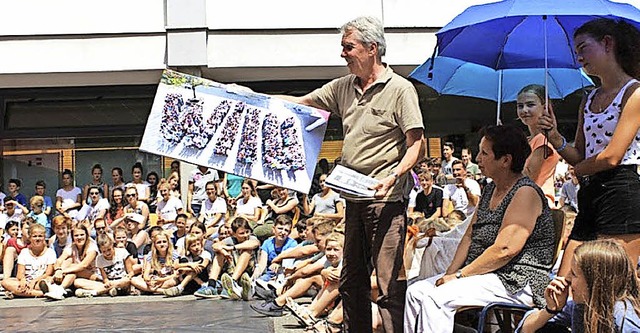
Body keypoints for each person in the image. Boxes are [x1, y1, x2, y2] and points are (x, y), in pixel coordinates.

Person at [274, 16, 425, 332]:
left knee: (388, 284)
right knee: (351, 280)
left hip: (386, 201)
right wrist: (248, 97)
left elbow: (416, 146)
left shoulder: (400, 89)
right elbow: (302, 104)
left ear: (372, 49)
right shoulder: (344, 87)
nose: (342, 53)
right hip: (353, 199)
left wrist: (394, 175)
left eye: (348, 47)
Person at [404, 125, 555, 333]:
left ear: (505, 160)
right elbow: (469, 235)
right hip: (488, 275)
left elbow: (505, 250)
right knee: (415, 292)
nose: (477, 158)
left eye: (484, 153)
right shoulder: (491, 188)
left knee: (436, 299)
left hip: (516, 279)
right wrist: (449, 274)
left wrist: (458, 277)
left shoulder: (525, 192)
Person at [537, 18, 640, 277]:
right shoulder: (589, 98)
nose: (579, 57)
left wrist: (581, 169)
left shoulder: (634, 92)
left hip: (622, 190)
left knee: (613, 282)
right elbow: (578, 155)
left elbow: (613, 157)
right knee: (565, 279)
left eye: (583, 48)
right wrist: (555, 136)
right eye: (576, 51)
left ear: (608, 43)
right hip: (591, 191)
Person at [517, 239, 640, 333]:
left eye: (574, 274)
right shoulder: (580, 305)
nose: (567, 279)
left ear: (595, 282)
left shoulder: (623, 317)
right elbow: (525, 329)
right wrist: (551, 310)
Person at [517, 84, 560, 207]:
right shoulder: (528, 140)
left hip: (537, 204)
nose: (524, 110)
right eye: (520, 106)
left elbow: (528, 176)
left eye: (530, 105)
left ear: (545, 107)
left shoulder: (543, 140)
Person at [1, 224, 56, 299]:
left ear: (44, 237)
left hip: (40, 281)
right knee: (5, 282)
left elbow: (48, 273)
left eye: (40, 236)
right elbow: (20, 274)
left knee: (46, 282)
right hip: (27, 281)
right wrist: (23, 281)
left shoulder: (50, 252)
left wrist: (34, 281)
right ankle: (41, 293)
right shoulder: (24, 252)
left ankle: (19, 293)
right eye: (34, 236)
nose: (37, 239)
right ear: (30, 238)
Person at [74, 233, 135, 297]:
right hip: (108, 283)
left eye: (109, 249)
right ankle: (110, 290)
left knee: (126, 281)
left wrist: (127, 277)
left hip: (121, 281)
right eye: (104, 251)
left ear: (112, 245)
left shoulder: (122, 252)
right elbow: (105, 278)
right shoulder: (99, 259)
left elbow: (131, 272)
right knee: (77, 281)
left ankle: (94, 292)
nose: (107, 253)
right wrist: (107, 282)